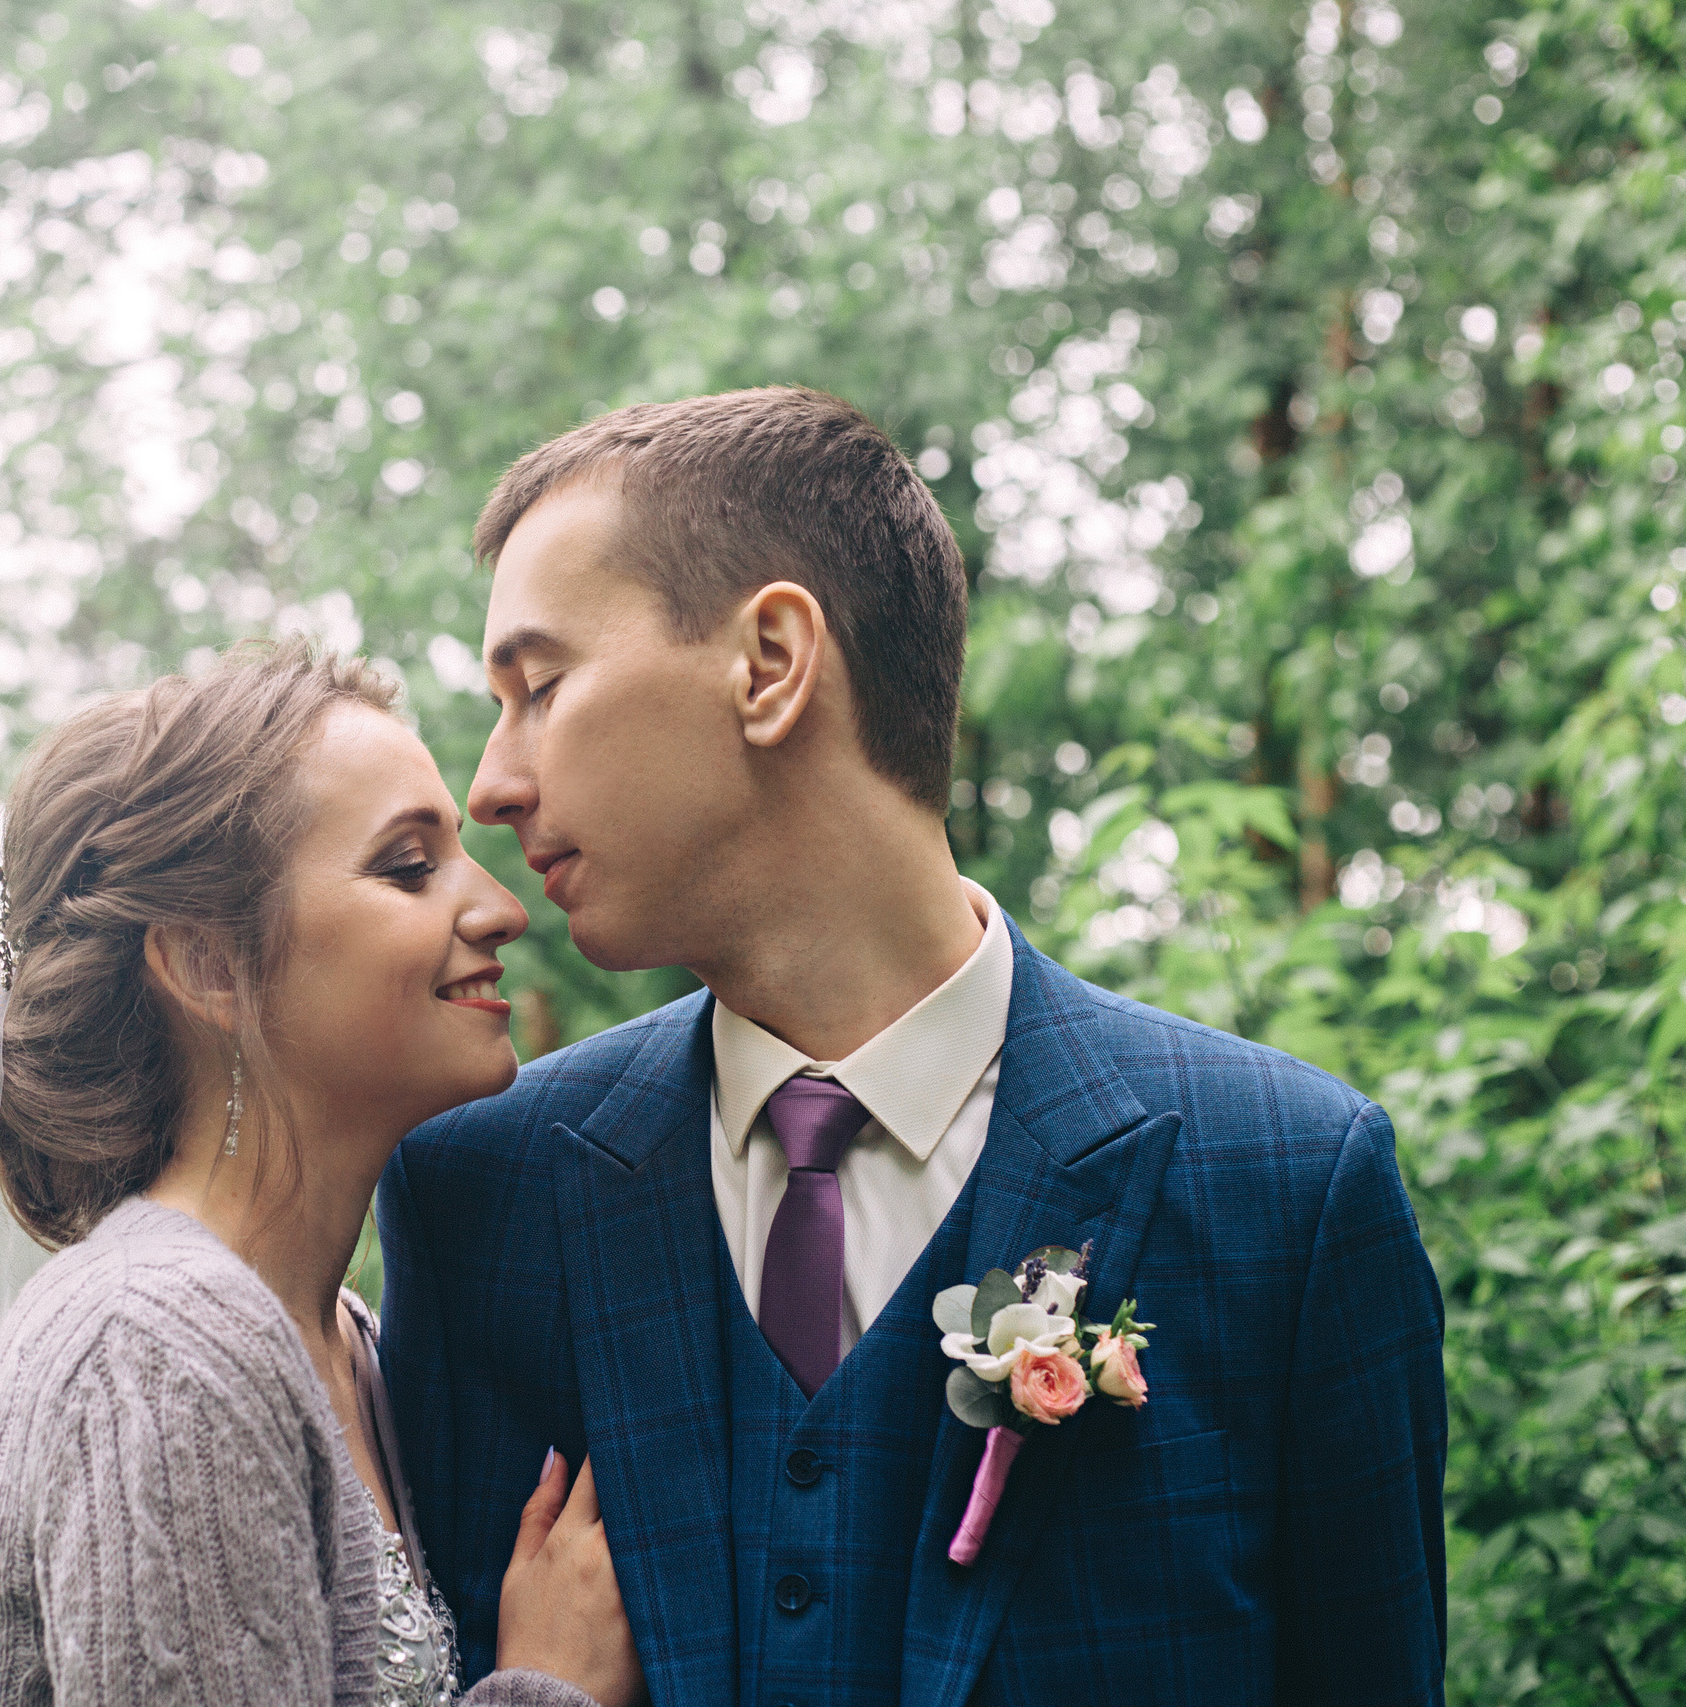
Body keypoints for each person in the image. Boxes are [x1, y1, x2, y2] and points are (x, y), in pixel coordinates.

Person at [376, 387, 1448, 1706]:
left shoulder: (1288, 1182)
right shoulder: (475, 1190)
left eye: (539, 684)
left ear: (770, 662)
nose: (492, 781)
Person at [0, 643, 644, 1707]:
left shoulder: (338, 1332)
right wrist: (543, 1687)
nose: (499, 908)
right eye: (406, 866)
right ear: (208, 966)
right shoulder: (159, 1350)